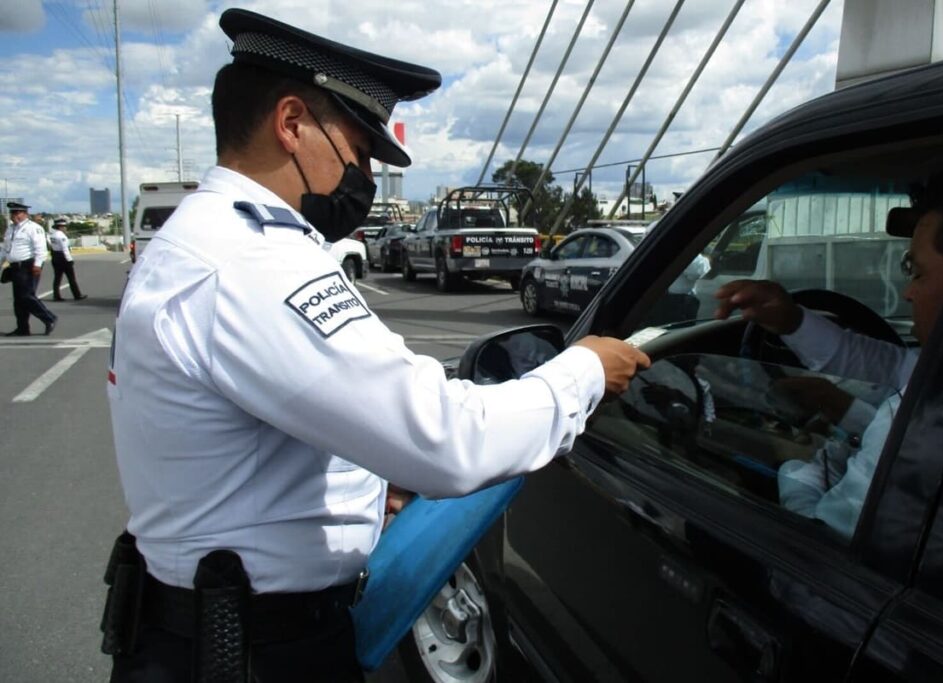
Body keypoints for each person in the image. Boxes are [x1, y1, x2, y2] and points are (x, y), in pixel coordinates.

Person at [102, 9, 649, 682]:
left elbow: (266, 431)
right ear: (292, 122)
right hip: (252, 655)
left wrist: (369, 483)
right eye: (358, 150)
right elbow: (448, 438)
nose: (362, 175)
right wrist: (587, 370)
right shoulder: (250, 264)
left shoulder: (203, 241)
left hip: (208, 635)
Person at [713, 163, 943, 539]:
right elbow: (888, 362)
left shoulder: (938, 419)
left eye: (917, 273)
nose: (907, 293)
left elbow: (817, 557)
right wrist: (794, 327)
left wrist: (797, 470)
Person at [1, 201, 57, 336]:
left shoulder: (34, 228)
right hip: (15, 267)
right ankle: (22, 328)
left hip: (28, 265)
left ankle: (49, 318)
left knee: (26, 296)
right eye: (12, 213)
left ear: (25, 214)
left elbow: (41, 248)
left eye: (17, 213)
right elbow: (5, 250)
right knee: (18, 300)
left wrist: (38, 264)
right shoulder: (11, 229)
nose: (14, 215)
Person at [48, 217, 87, 301]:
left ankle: (56, 295)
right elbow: (65, 249)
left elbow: (51, 246)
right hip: (63, 258)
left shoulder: (52, 235)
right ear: (60, 227)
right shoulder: (62, 237)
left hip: (55, 256)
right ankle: (77, 295)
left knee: (57, 278)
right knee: (71, 278)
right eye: (64, 227)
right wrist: (70, 260)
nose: (65, 228)